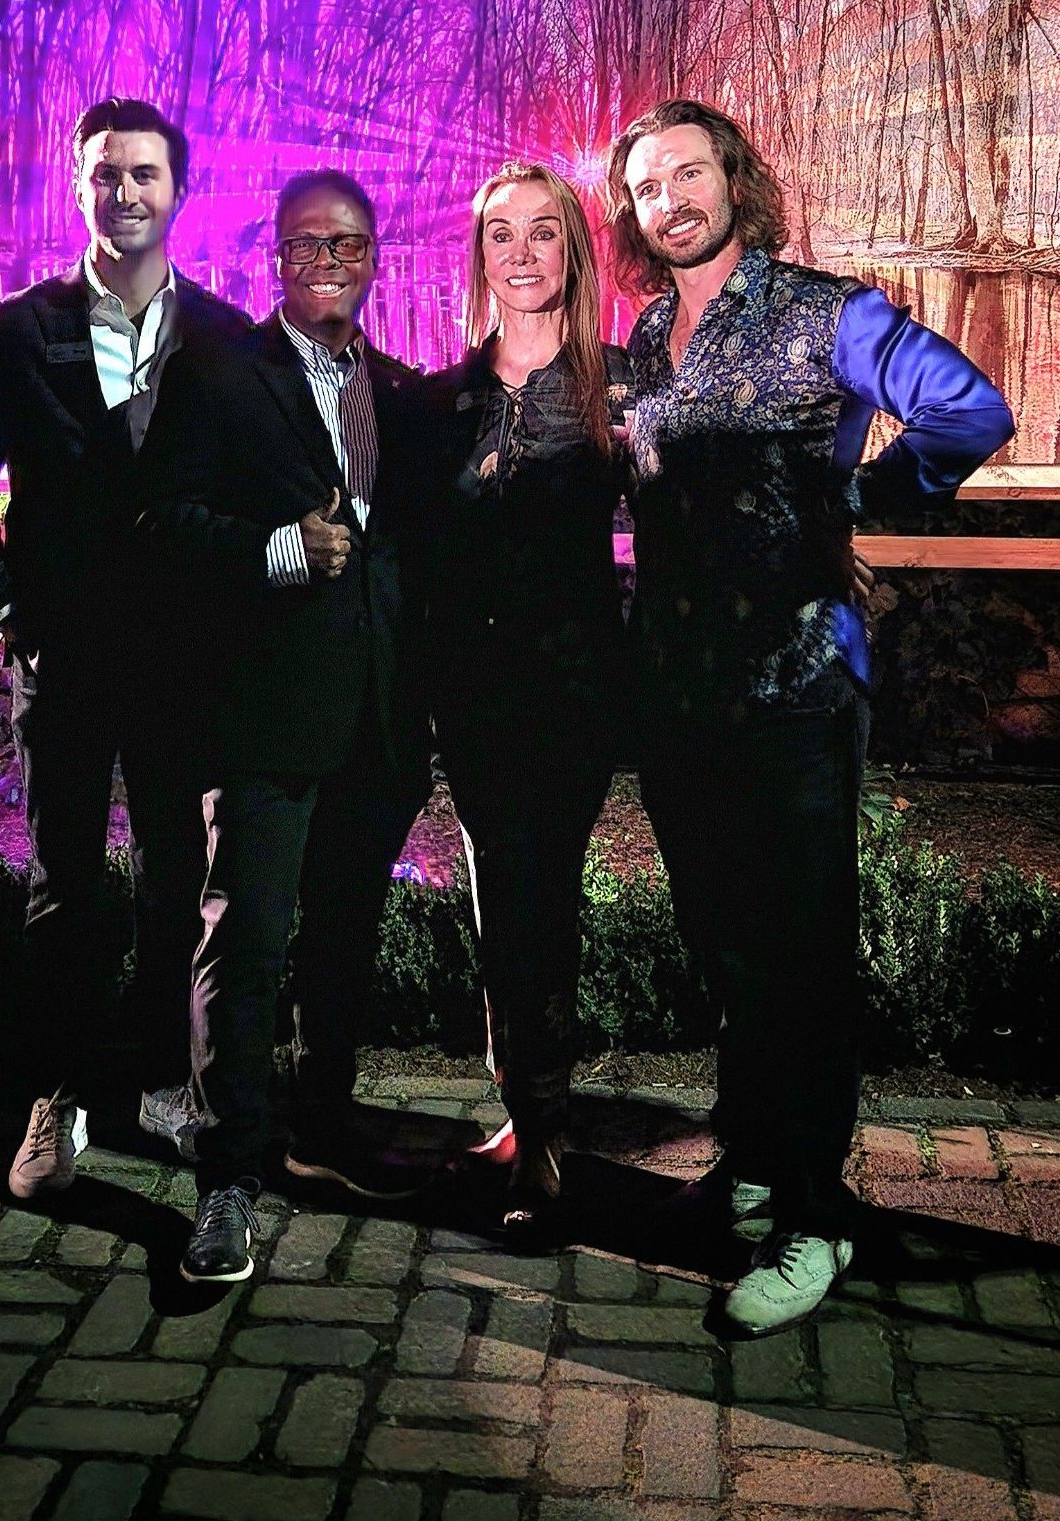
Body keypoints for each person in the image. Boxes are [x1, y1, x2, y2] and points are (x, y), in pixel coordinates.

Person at [605, 96, 1015, 1334]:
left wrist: (860, 500)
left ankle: (816, 1215)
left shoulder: (822, 308)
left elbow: (972, 408)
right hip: (677, 696)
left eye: (685, 170)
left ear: (734, 176)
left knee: (799, 957)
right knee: (728, 953)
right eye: (642, 185)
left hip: (792, 694)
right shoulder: (645, 334)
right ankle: (753, 1165)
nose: (666, 197)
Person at [0, 95, 250, 1201]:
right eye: (106, 173)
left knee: (178, 881)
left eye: (144, 174)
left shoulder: (222, 333)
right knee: (65, 885)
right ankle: (56, 1095)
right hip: (63, 662)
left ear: (178, 190)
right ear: (80, 186)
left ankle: (162, 1079)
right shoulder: (20, 328)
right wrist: (3, 607)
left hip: (182, 663)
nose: (124, 191)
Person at [139, 169, 433, 1284]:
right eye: (308, 243)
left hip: (377, 719)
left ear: (373, 260)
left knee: (346, 938)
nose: (328, 261)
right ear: (275, 256)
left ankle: (321, 1129)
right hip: (261, 714)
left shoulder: (395, 390)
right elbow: (159, 521)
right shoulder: (217, 374)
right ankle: (228, 1177)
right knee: (247, 940)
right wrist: (273, 547)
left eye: (348, 245)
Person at [424, 162, 634, 1238]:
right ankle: (522, 1110)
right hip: (471, 701)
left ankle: (544, 1126)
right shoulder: (444, 396)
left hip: (572, 693)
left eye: (541, 232)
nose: (520, 252)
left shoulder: (621, 388)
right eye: (499, 233)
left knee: (537, 891)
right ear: (480, 257)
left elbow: (703, 517)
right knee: (497, 896)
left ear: (573, 251)